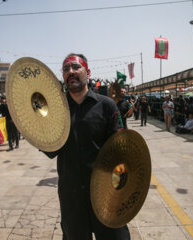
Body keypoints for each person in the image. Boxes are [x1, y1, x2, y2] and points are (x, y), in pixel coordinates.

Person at [43, 53, 129, 239]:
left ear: (87, 72)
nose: (70, 72)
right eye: (66, 69)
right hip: (71, 195)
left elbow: (120, 150)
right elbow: (52, 152)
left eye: (75, 67)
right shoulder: (56, 110)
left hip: (105, 193)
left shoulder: (107, 106)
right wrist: (37, 130)